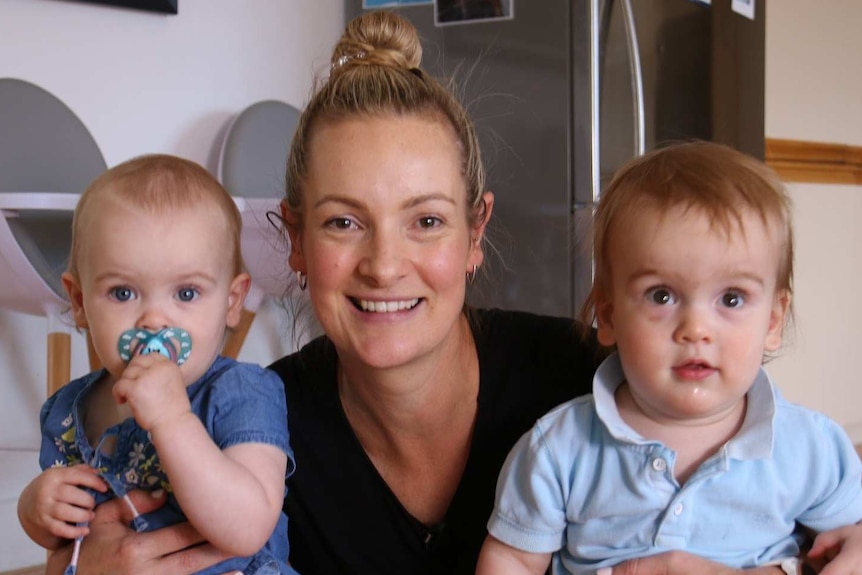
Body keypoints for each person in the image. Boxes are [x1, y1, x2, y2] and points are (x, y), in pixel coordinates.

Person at [42, 11, 862, 575]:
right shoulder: (247, 416)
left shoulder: (596, 374)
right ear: (292, 237)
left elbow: (800, 480)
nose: (385, 264)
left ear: (476, 232)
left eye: (426, 220)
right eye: (342, 223)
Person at [475, 141, 862, 575]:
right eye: (662, 295)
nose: (695, 328)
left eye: (731, 299)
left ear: (772, 321)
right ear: (609, 316)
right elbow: (512, 559)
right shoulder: (560, 448)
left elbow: (852, 538)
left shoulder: (808, 446)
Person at [19, 155, 296, 575]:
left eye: (186, 294)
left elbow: (247, 527)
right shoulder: (66, 412)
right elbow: (67, 541)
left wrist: (172, 420)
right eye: (123, 293)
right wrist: (37, 510)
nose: (154, 321)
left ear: (232, 301)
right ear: (78, 302)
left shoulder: (243, 393)